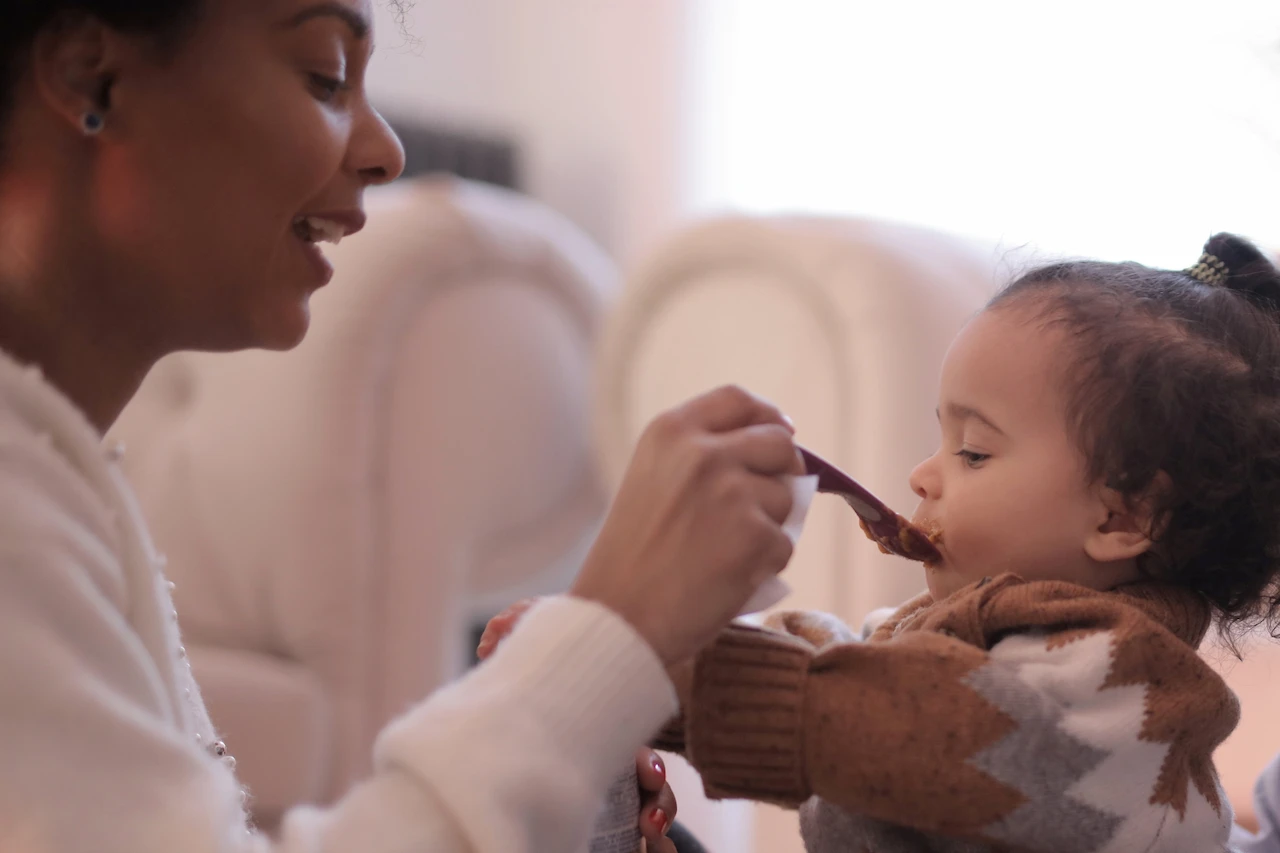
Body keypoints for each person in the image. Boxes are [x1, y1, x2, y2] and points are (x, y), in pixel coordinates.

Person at [0, 1, 807, 851]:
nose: (387, 151)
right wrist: (609, 635)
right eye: (324, 75)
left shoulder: (63, 482)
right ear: (95, 77)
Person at [486, 233, 1280, 851]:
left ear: (1123, 517)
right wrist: (620, 668)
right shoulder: (973, 640)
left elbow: (926, 723)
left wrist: (655, 670)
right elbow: (838, 656)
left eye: (974, 450)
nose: (923, 475)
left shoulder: (1128, 694)